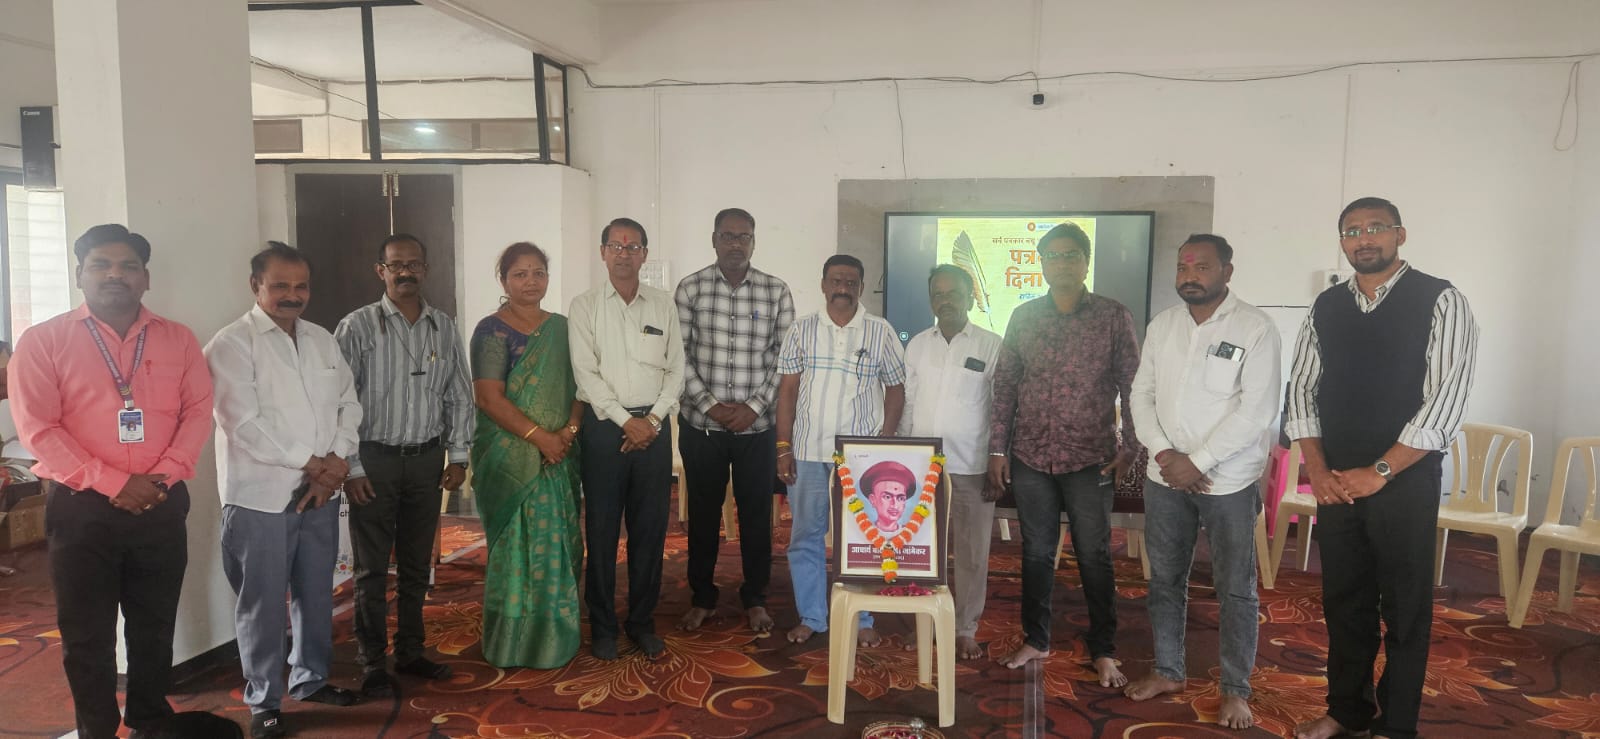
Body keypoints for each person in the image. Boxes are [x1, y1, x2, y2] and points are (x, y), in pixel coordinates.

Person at [8, 224, 213, 739]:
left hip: (161, 502)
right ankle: (97, 729)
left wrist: (162, 476)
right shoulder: (43, 341)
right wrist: (114, 482)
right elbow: (39, 430)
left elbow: (197, 412)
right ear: (80, 274)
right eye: (101, 264)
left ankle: (150, 718)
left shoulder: (178, 338)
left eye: (128, 266)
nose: (115, 275)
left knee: (154, 625)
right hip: (82, 509)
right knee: (87, 633)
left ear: (146, 277)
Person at [1288, 198, 1478, 739]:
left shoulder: (1440, 299)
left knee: (1404, 607)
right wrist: (1317, 469)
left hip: (1404, 480)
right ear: (1341, 242)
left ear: (1400, 234)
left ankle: (1396, 725)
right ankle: (1347, 710)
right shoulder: (1326, 306)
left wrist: (1381, 471)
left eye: (1375, 228)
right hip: (1337, 481)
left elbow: (1445, 401)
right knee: (1344, 601)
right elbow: (1301, 389)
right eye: (1351, 231)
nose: (1363, 239)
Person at [205, 242, 363, 739]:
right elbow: (243, 424)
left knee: (316, 593)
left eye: (301, 286)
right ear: (256, 286)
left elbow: (349, 403)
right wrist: (315, 465)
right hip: (260, 497)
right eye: (280, 286)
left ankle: (311, 680)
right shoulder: (231, 344)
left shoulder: (322, 339)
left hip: (320, 492)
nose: (292, 295)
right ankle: (264, 702)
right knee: (263, 603)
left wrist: (335, 462)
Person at [1124, 235, 1281, 729]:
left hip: (1226, 482)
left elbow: (1257, 410)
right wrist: (1166, 454)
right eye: (1182, 266)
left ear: (1227, 272)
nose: (1189, 275)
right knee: (1165, 580)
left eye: (1202, 267)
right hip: (1165, 476)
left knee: (1236, 588)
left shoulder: (1255, 327)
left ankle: (1236, 689)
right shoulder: (1163, 325)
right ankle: (1168, 670)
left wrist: (1200, 462)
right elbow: (1141, 395)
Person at [989, 222, 1140, 686]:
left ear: (1086, 261)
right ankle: (1036, 638)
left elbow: (1133, 385)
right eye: (1051, 256)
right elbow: (1005, 385)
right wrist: (997, 448)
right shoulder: (1024, 316)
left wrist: (1130, 447)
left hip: (1091, 457)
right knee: (1036, 552)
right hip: (1031, 455)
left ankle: (1104, 649)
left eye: (1070, 254)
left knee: (1095, 554)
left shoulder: (1113, 316)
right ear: (1041, 264)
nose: (1061, 263)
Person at [334, 234, 474, 695]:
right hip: (373, 461)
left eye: (413, 264)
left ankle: (411, 651)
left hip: (426, 461)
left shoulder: (443, 327)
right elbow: (337, 402)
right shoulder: (356, 327)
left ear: (425, 269)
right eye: (396, 265)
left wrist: (458, 455)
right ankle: (372, 660)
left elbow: (459, 394)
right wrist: (352, 466)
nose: (405, 272)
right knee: (372, 569)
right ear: (381, 271)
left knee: (416, 566)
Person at [569, 218, 686, 660]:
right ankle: (602, 626)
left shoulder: (663, 305)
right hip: (604, 430)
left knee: (650, 531)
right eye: (615, 246)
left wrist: (651, 420)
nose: (623, 253)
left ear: (644, 255)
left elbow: (676, 369)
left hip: (653, 429)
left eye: (632, 246)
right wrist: (625, 421)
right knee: (601, 531)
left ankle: (641, 622)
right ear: (602, 252)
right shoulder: (584, 307)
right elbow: (586, 374)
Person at [675, 208, 795, 635]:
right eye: (727, 236)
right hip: (701, 426)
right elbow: (677, 356)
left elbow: (785, 359)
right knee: (702, 515)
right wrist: (710, 405)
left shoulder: (776, 291)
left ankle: (755, 598)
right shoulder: (690, 288)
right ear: (714, 240)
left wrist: (754, 408)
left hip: (757, 430)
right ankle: (702, 597)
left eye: (744, 237)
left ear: (754, 242)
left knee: (757, 515)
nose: (735, 244)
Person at [775, 254, 906, 645]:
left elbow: (896, 389)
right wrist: (783, 447)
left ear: (861, 287)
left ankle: (862, 617)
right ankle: (813, 616)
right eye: (836, 281)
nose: (843, 288)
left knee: (862, 540)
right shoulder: (801, 329)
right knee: (805, 536)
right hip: (808, 451)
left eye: (851, 282)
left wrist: (884, 443)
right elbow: (787, 391)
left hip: (860, 458)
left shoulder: (880, 331)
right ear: (823, 285)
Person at [469, 242, 586, 668]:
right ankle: (511, 642)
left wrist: (567, 432)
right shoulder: (491, 330)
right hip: (510, 458)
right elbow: (488, 398)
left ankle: (554, 635)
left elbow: (582, 386)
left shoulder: (563, 328)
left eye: (538, 272)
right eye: (520, 274)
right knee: (516, 551)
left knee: (557, 544)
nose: (531, 281)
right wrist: (541, 438)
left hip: (560, 454)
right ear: (504, 281)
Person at [900, 263, 1003, 660]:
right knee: (921, 551)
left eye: (953, 293)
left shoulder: (991, 345)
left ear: (970, 297)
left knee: (972, 553)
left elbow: (1001, 408)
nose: (945, 300)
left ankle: (964, 628)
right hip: (922, 467)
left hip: (971, 465)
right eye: (937, 294)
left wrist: (997, 457)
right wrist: (902, 455)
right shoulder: (917, 345)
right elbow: (908, 404)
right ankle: (923, 621)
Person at [860, 460, 915, 532]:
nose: (894, 504)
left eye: (901, 498)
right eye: (887, 497)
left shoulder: (909, 532)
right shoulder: (863, 531)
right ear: (873, 500)